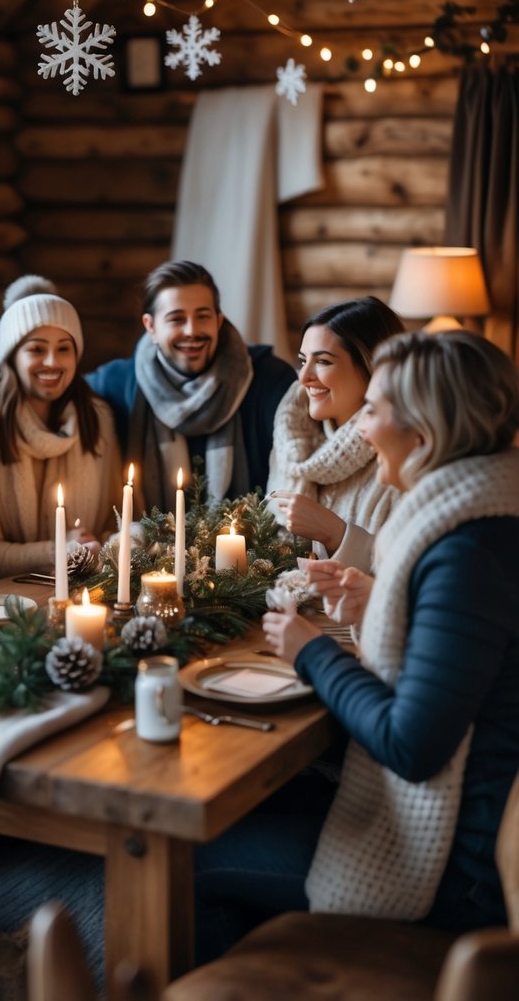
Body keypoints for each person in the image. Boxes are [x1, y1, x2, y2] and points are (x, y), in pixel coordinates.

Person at [194, 330, 519, 959]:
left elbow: (412, 745)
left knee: (195, 857)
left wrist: (310, 651)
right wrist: (375, 608)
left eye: (373, 410)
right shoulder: (484, 519)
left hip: (457, 872)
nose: (362, 430)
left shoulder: (467, 554)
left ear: (423, 435)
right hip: (463, 831)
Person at [0, 276, 122, 584]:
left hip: (92, 588)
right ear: (12, 356)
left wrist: (110, 546)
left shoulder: (98, 419)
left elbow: (117, 517)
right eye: (37, 349)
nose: (52, 362)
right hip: (5, 602)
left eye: (63, 348)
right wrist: (61, 549)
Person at [86, 260, 296, 511]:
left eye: (202, 317)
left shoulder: (268, 379)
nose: (191, 331)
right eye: (176, 319)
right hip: (148, 547)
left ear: (218, 321)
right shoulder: (115, 384)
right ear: (150, 326)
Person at [267, 296, 404, 570]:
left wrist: (336, 533)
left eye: (324, 362)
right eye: (303, 360)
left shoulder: (401, 457)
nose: (303, 377)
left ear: (373, 369)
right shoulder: (291, 442)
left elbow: (405, 574)